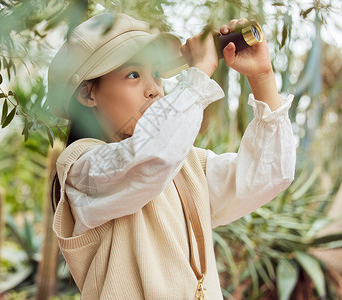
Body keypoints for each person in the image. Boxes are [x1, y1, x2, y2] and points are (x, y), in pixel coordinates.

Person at [47, 12, 296, 299]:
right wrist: (200, 71)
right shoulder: (82, 169)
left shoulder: (184, 164)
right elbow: (149, 157)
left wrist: (261, 76)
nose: (154, 89)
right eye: (133, 74)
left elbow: (268, 174)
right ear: (87, 94)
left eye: (157, 75)